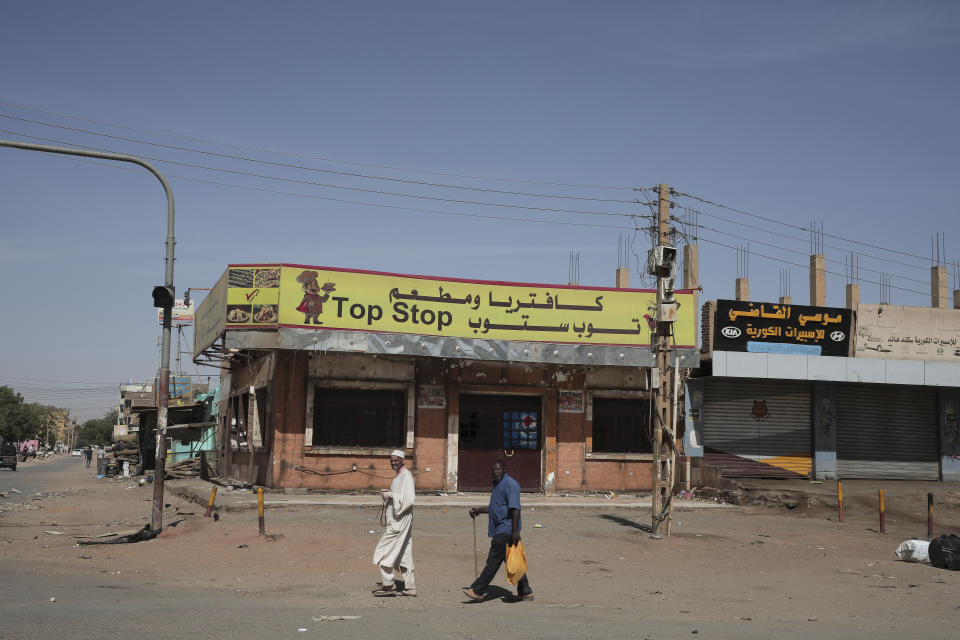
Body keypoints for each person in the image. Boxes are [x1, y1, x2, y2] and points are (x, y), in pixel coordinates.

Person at [464, 460, 534, 603]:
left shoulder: (510, 484)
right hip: (500, 530)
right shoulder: (497, 485)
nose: (495, 471)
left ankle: (478, 590)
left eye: (498, 469)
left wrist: (515, 531)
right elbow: (495, 508)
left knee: (493, 561)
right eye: (493, 469)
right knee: (512, 561)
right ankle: (525, 592)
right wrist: (479, 510)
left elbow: (515, 508)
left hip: (506, 530)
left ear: (504, 470)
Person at [371, 449, 416, 597]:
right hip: (396, 520)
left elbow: (409, 500)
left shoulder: (406, 476)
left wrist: (391, 495)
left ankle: (389, 584)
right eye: (392, 460)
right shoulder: (398, 477)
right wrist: (389, 495)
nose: (393, 462)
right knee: (404, 553)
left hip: (400, 521)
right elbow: (399, 497)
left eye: (396, 460)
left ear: (403, 460)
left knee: (382, 551)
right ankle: (410, 588)